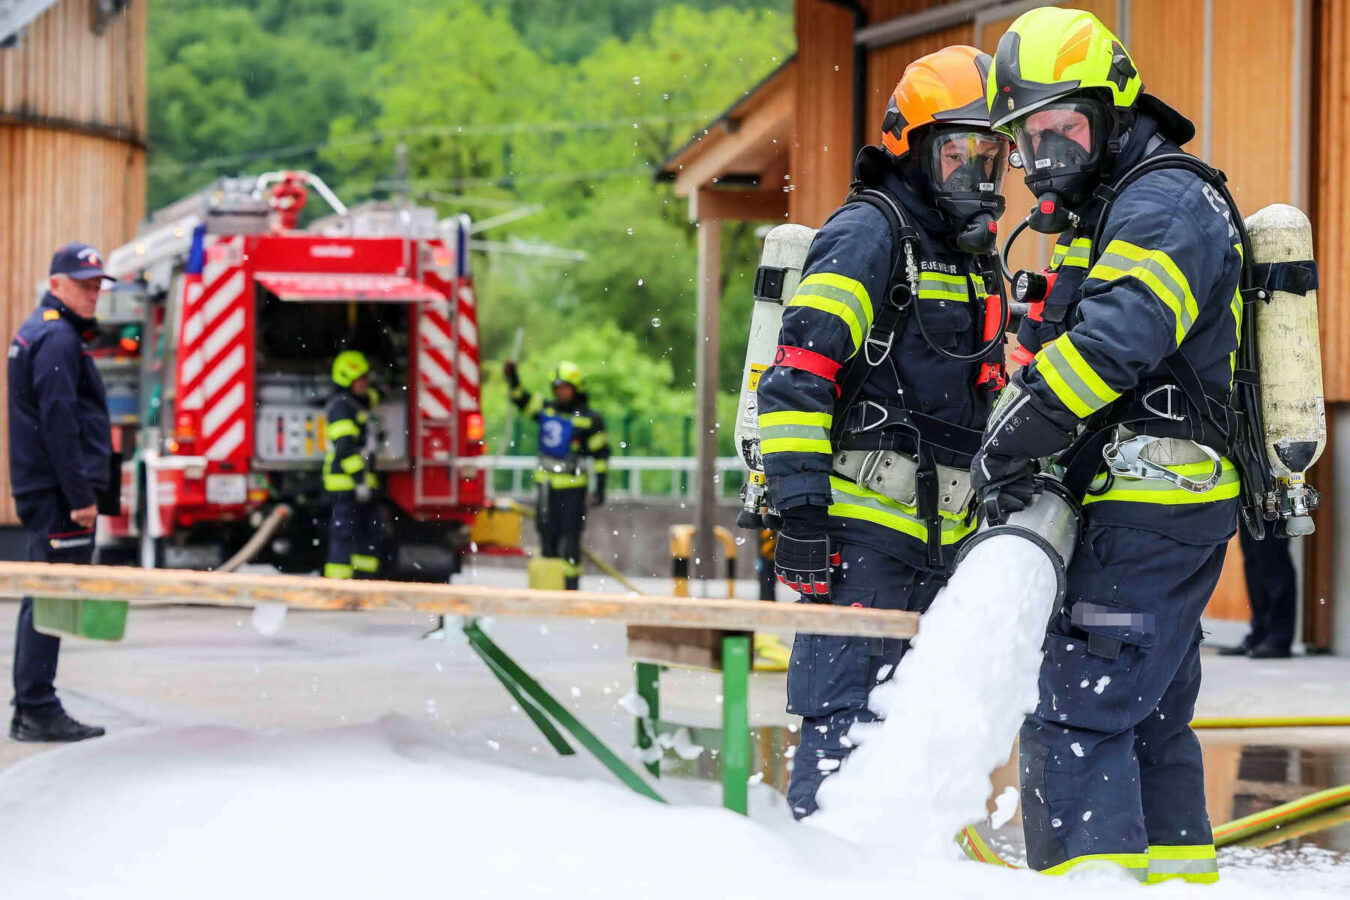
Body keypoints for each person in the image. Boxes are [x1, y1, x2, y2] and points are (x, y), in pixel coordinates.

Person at [974, 7, 1242, 882]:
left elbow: (1112, 346)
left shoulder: (1165, 203)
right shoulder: (1120, 207)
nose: (1046, 157)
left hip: (1150, 497)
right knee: (1149, 723)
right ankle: (1175, 878)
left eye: (1065, 129)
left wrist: (1014, 438)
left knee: (1074, 720)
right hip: (1144, 504)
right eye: (1030, 138)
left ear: (1115, 110)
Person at [756, 46, 1010, 818]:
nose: (979, 176)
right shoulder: (869, 234)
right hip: (861, 537)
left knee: (922, 736)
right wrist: (799, 515)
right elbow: (798, 374)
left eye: (993, 157)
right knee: (843, 730)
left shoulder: (973, 260)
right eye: (959, 154)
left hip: (947, 540)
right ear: (913, 148)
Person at [7, 242, 114, 742]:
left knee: (47, 596)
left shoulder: (44, 332)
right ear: (56, 285)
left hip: (45, 490)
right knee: (51, 598)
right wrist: (80, 497)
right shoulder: (57, 338)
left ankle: (33, 704)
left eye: (97, 286)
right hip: (57, 495)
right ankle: (36, 708)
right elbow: (59, 423)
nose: (92, 294)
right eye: (83, 285)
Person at [504, 360, 610, 590]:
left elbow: (601, 456)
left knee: (571, 540)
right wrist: (513, 378)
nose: (561, 392)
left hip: (574, 488)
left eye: (566, 387)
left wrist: (600, 489)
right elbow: (522, 400)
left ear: (577, 388)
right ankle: (549, 586)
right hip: (546, 486)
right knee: (546, 536)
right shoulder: (547, 410)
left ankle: (570, 588)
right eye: (557, 387)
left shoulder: (590, 419)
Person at [322, 350, 383, 579]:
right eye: (361, 379)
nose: (365, 383)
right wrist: (359, 481)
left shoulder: (356, 404)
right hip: (344, 484)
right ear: (347, 381)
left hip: (358, 484)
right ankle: (339, 585)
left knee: (368, 532)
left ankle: (364, 583)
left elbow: (374, 397)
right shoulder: (341, 408)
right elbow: (344, 449)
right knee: (344, 534)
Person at [1220, 529, 1297, 658]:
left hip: (1274, 509)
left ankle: (1279, 637)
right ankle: (1259, 634)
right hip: (1247, 508)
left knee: (1273, 556)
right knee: (1252, 557)